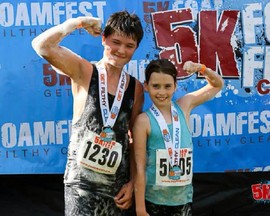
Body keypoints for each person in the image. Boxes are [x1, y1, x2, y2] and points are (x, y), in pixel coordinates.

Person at [32, 10, 144, 215]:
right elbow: (42, 46)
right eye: (115, 42)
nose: (121, 50)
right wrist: (78, 22)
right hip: (80, 184)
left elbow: (133, 138)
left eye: (129, 46)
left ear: (136, 48)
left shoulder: (136, 88)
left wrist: (133, 182)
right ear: (103, 39)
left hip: (116, 189)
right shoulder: (84, 71)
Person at [133, 59, 224, 216]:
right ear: (146, 86)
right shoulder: (143, 121)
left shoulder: (184, 106)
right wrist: (140, 209)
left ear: (175, 86)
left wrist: (201, 68)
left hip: (183, 201)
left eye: (168, 86)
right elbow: (139, 168)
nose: (162, 92)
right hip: (153, 202)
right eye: (156, 86)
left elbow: (217, 84)